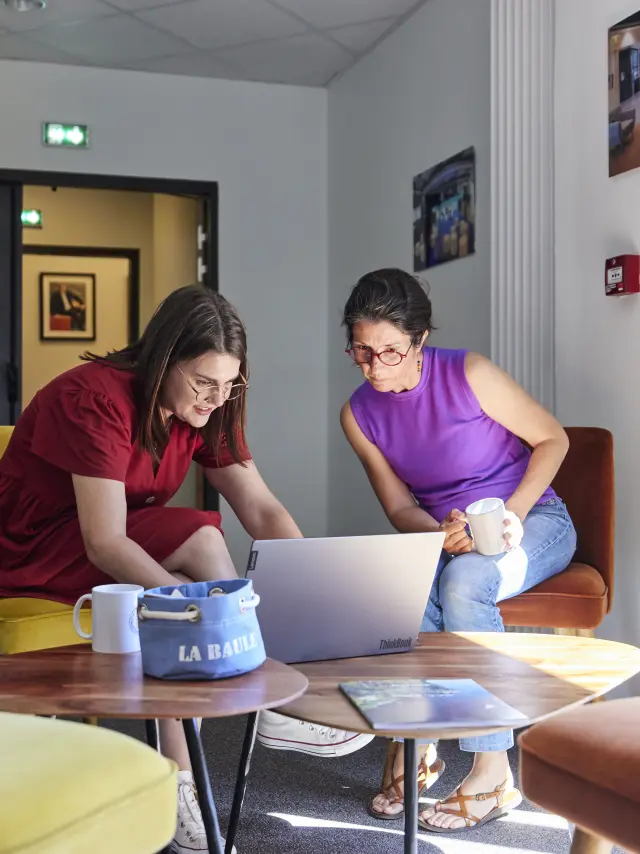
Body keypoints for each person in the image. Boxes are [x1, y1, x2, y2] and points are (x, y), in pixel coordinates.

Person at [0, 284, 370, 854]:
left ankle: (198, 761)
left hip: (106, 538)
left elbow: (261, 507)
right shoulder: (95, 398)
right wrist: (203, 610)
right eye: (204, 382)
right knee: (197, 545)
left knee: (201, 540)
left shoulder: (212, 404)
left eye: (230, 384)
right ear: (165, 358)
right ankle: (212, 749)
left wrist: (312, 588)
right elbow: (104, 542)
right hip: (31, 547)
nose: (218, 398)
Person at [339, 268, 577, 833]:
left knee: (466, 581)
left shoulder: (469, 372)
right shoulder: (358, 414)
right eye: (363, 351)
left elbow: (554, 439)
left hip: (533, 519)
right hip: (450, 532)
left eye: (391, 351)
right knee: (409, 585)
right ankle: (416, 744)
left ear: (420, 340)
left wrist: (511, 515)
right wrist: (435, 533)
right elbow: (399, 508)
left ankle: (494, 772)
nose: (376, 367)